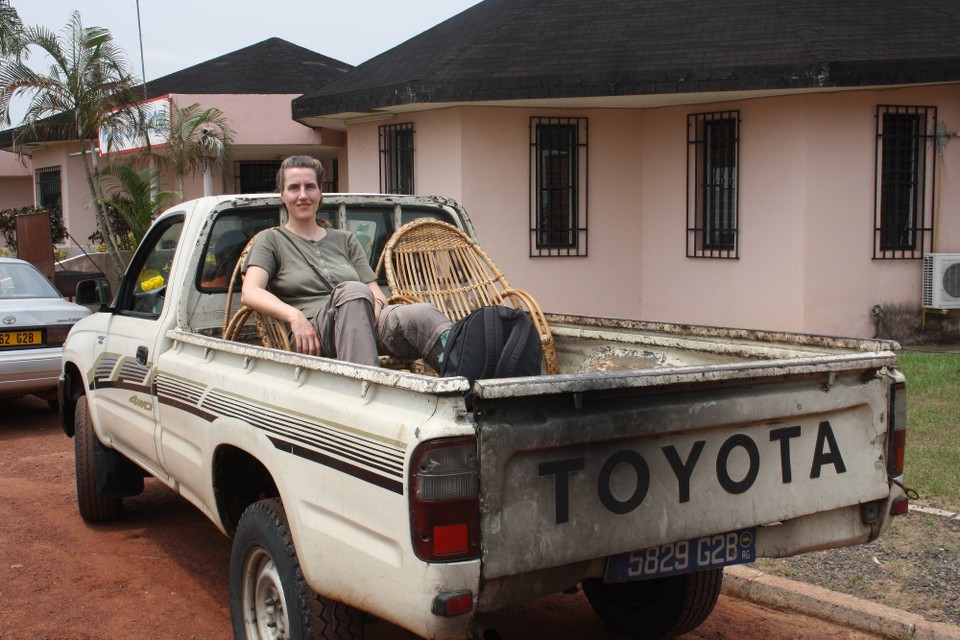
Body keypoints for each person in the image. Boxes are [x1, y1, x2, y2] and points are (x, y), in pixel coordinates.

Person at [241, 155, 451, 368]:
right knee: (353, 292)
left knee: (421, 313)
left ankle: (466, 385)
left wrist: (372, 313)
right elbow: (250, 292)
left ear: (320, 192)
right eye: (294, 188)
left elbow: (376, 293)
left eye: (310, 187)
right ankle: (363, 392)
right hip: (314, 332)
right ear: (283, 195)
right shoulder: (270, 239)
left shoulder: (345, 239)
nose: (303, 195)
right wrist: (293, 316)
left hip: (366, 323)